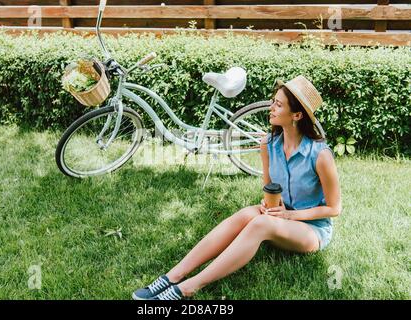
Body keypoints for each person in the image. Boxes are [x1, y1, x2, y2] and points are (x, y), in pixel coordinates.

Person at [132, 75, 342, 300]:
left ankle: (188, 287)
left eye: (278, 105)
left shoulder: (320, 155)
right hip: (281, 217)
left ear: (297, 115)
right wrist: (270, 204)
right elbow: (270, 188)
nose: (270, 108)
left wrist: (290, 215)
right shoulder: (268, 144)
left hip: (312, 230)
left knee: (260, 223)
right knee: (246, 214)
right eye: (273, 101)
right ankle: (173, 276)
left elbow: (334, 208)